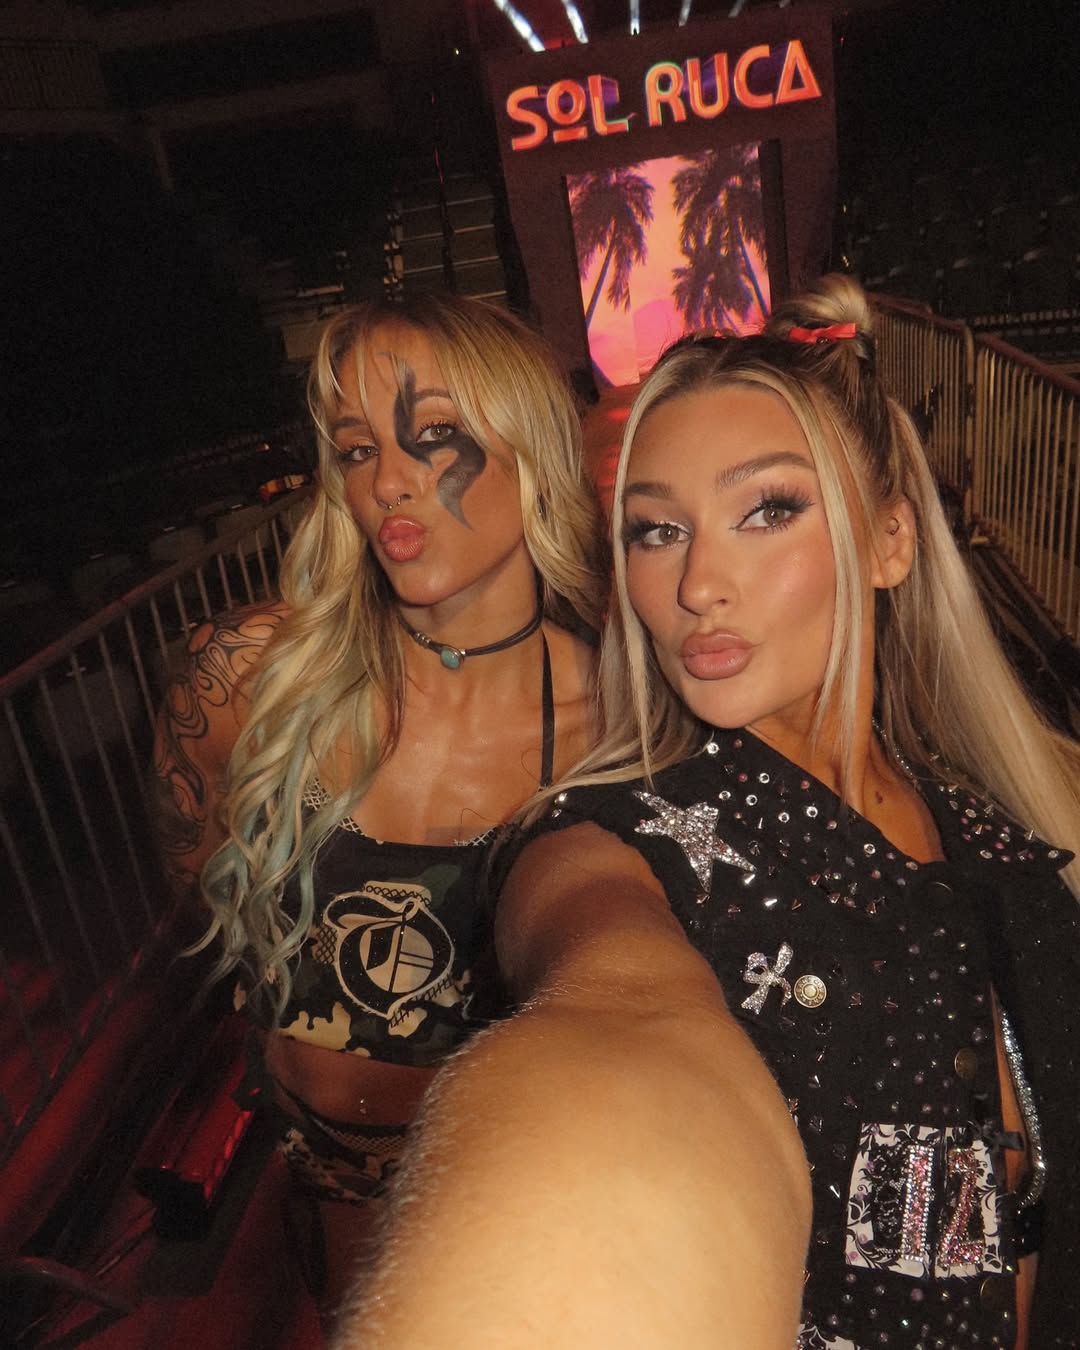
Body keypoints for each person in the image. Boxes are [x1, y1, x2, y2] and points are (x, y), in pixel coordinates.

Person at [333, 275, 1080, 1350]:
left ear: (890, 541)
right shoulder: (607, 843)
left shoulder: (1005, 805)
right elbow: (618, 1010)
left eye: (767, 510)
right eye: (655, 531)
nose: (697, 585)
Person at [152, 293, 606, 1322]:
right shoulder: (244, 682)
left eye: (433, 434)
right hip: (317, 1193)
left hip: (513, 1212)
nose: (387, 480)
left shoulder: (620, 731)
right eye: (356, 450)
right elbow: (207, 892)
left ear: (531, 447)